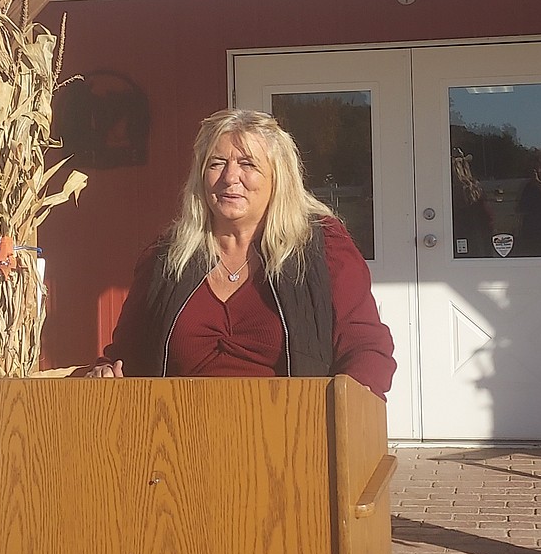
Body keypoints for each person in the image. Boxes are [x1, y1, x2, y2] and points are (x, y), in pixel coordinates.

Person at [87, 108, 395, 398]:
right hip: (177, 437)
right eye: (216, 163)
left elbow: (366, 347)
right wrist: (104, 372)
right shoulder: (167, 258)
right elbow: (124, 357)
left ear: (278, 177)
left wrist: (349, 407)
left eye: (248, 164)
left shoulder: (323, 248)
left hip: (293, 435)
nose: (230, 177)